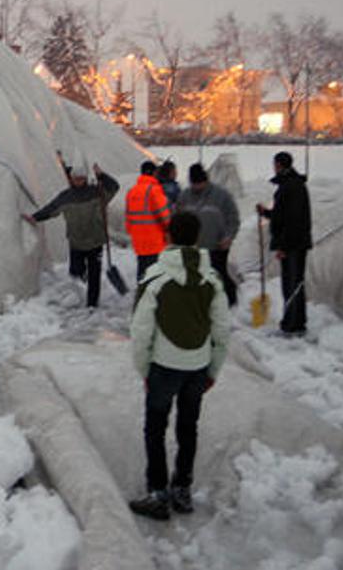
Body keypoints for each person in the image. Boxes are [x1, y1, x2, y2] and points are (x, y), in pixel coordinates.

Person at [128, 212, 230, 520]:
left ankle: (158, 493)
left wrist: (144, 369)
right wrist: (213, 370)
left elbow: (140, 331)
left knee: (156, 428)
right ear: (197, 239)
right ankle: (182, 489)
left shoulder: (155, 279)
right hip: (197, 367)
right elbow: (221, 331)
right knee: (188, 428)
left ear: (168, 236)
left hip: (163, 366)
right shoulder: (211, 281)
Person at [23, 161, 119, 308]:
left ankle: (92, 304)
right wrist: (35, 217)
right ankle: (79, 292)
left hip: (95, 241)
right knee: (75, 272)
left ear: (86, 178)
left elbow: (114, 187)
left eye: (81, 178)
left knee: (94, 275)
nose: (78, 181)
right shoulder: (66, 196)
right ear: (71, 179)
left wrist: (101, 175)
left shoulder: (97, 192)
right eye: (76, 178)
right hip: (76, 242)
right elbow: (51, 209)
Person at [256, 151, 312, 338]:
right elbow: (281, 215)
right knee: (292, 283)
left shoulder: (291, 187)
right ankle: (295, 322)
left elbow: (292, 220)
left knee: (292, 284)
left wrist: (283, 246)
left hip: (293, 245)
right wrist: (266, 213)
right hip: (294, 243)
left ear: (279, 165)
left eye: (275, 164)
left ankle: (292, 324)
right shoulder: (291, 185)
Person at [177, 163, 241, 307]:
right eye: (194, 184)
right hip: (193, 247)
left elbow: (233, 219)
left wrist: (229, 237)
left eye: (200, 183)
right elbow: (177, 218)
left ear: (206, 180)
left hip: (217, 246)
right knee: (196, 276)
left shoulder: (222, 195)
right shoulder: (184, 196)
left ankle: (231, 302)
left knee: (219, 274)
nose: (197, 187)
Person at [125, 161, 172, 282]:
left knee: (142, 270)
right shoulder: (155, 190)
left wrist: (133, 233)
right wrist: (169, 231)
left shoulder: (132, 191)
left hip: (138, 240)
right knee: (154, 274)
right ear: (153, 173)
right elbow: (164, 215)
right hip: (154, 240)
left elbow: (128, 218)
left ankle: (141, 294)